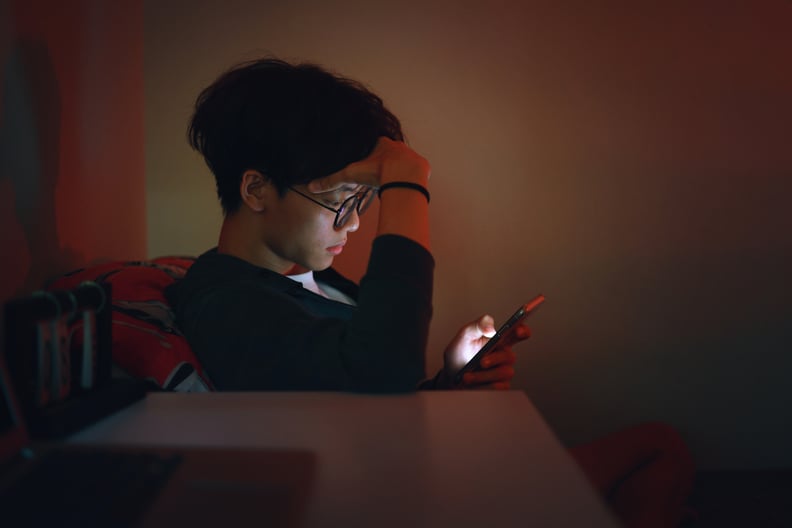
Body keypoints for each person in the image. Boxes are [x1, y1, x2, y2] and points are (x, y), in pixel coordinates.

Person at [166, 58, 694, 527]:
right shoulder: (227, 301)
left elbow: (370, 396)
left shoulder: (314, 279)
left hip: (416, 467)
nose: (353, 225)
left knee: (658, 446)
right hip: (394, 498)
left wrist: (449, 381)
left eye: (365, 201)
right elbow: (381, 378)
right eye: (342, 200)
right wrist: (406, 183)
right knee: (655, 450)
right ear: (256, 189)